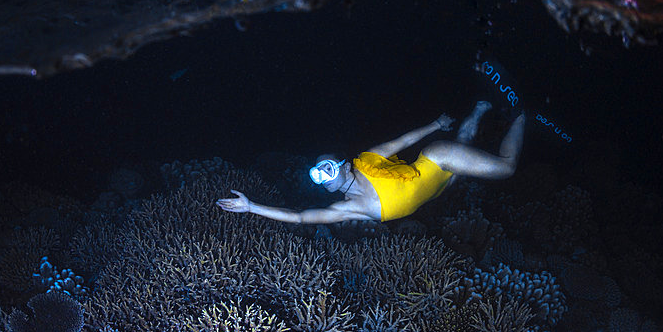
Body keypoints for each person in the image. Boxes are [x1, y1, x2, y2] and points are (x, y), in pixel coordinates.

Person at [216, 101, 524, 223]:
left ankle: (523, 113)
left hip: (435, 159)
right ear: (325, 188)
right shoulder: (348, 208)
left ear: (344, 165)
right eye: (318, 175)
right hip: (438, 187)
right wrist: (251, 207)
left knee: (506, 168)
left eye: (326, 167)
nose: (322, 174)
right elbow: (299, 218)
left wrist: (434, 125)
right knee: (466, 144)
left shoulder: (364, 161)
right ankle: (482, 108)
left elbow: (401, 142)